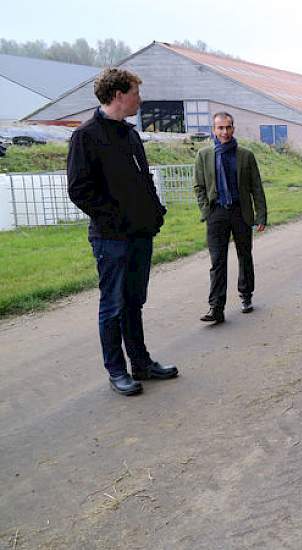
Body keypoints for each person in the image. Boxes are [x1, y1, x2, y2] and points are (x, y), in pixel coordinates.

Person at [67, 68, 178, 395]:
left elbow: (143, 179)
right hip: (112, 239)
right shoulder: (86, 137)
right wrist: (116, 220)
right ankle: (117, 371)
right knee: (113, 306)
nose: (139, 99)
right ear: (118, 95)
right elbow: (79, 190)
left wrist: (155, 212)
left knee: (133, 302)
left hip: (140, 234)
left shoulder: (130, 135)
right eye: (135, 93)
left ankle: (141, 364)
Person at [194, 112, 267, 325]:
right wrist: (206, 211)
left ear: (233, 128)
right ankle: (216, 307)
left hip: (240, 212)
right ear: (213, 130)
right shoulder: (204, 155)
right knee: (217, 261)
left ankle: (246, 295)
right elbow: (198, 186)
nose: (224, 132)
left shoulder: (245, 155)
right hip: (216, 213)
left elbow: (256, 187)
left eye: (228, 127)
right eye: (220, 128)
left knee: (244, 255)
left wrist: (261, 214)